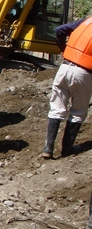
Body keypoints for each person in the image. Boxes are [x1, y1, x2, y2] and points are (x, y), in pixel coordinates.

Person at [43, 16, 92, 159]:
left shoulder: (86, 21)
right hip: (84, 72)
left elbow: (59, 30)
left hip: (64, 68)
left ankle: (48, 148)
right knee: (78, 111)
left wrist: (64, 50)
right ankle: (67, 149)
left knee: (57, 108)